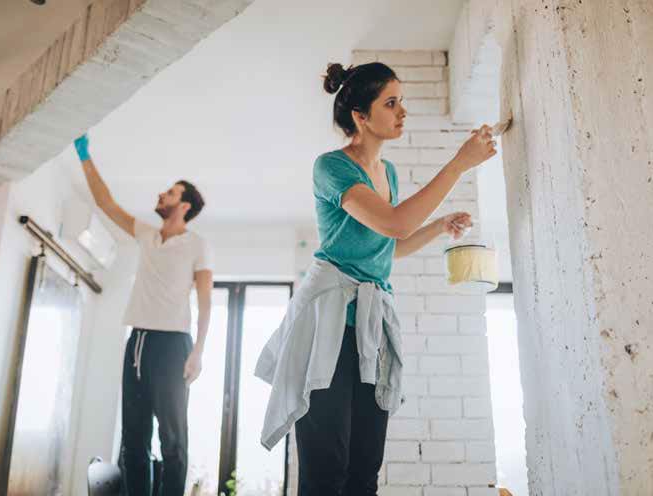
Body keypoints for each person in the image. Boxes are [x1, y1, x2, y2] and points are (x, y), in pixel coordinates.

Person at [255, 62, 496, 496]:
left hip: (369, 324)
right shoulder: (331, 167)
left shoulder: (389, 174)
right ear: (360, 117)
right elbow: (395, 225)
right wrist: (460, 163)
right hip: (326, 322)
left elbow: (390, 246)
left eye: (401, 100)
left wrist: (439, 227)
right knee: (327, 469)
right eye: (391, 102)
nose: (402, 110)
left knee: (365, 467)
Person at [74, 134, 213, 496]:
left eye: (170, 193)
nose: (161, 195)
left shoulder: (197, 245)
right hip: (137, 341)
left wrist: (198, 351)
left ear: (184, 206)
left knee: (173, 440)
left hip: (172, 345)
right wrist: (85, 156)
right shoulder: (146, 234)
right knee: (133, 439)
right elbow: (105, 202)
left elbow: (206, 301)